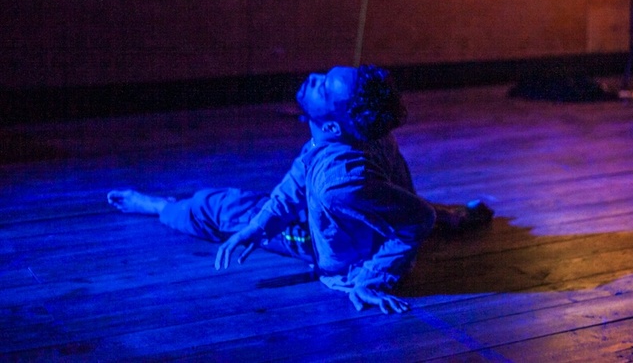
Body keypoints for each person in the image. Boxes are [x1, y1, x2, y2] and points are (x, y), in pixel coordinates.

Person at [108, 65, 492, 314]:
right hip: (361, 215)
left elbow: (416, 217)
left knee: (218, 206)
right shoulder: (350, 135)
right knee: (256, 214)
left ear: (331, 126)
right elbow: (298, 180)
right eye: (327, 75)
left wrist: (373, 277)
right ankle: (455, 217)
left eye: (324, 88)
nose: (315, 77)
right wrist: (259, 227)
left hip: (339, 241)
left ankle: (158, 207)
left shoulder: (338, 184)